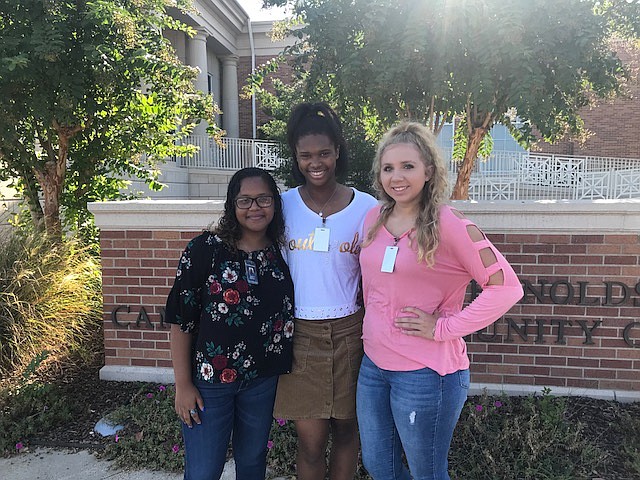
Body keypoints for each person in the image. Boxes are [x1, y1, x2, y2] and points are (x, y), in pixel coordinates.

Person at [357, 122, 523, 480]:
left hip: (426, 373)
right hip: (373, 366)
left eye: (408, 166)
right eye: (388, 168)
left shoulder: (449, 224)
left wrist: (444, 327)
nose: (396, 177)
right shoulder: (373, 219)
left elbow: (506, 288)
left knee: (426, 473)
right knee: (379, 466)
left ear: (429, 171)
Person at [165, 167, 295, 480]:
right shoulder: (204, 250)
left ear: (275, 204)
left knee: (252, 464)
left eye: (263, 199)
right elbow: (181, 320)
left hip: (262, 380)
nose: (255, 207)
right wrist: (183, 385)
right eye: (245, 200)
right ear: (231, 205)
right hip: (210, 383)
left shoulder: (282, 251)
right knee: (204, 470)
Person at [273, 102, 378, 480]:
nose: (315, 163)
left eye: (323, 153)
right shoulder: (281, 207)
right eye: (305, 155)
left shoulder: (367, 207)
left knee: (349, 432)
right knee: (311, 442)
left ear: (337, 152)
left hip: (352, 335)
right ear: (296, 157)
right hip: (300, 336)